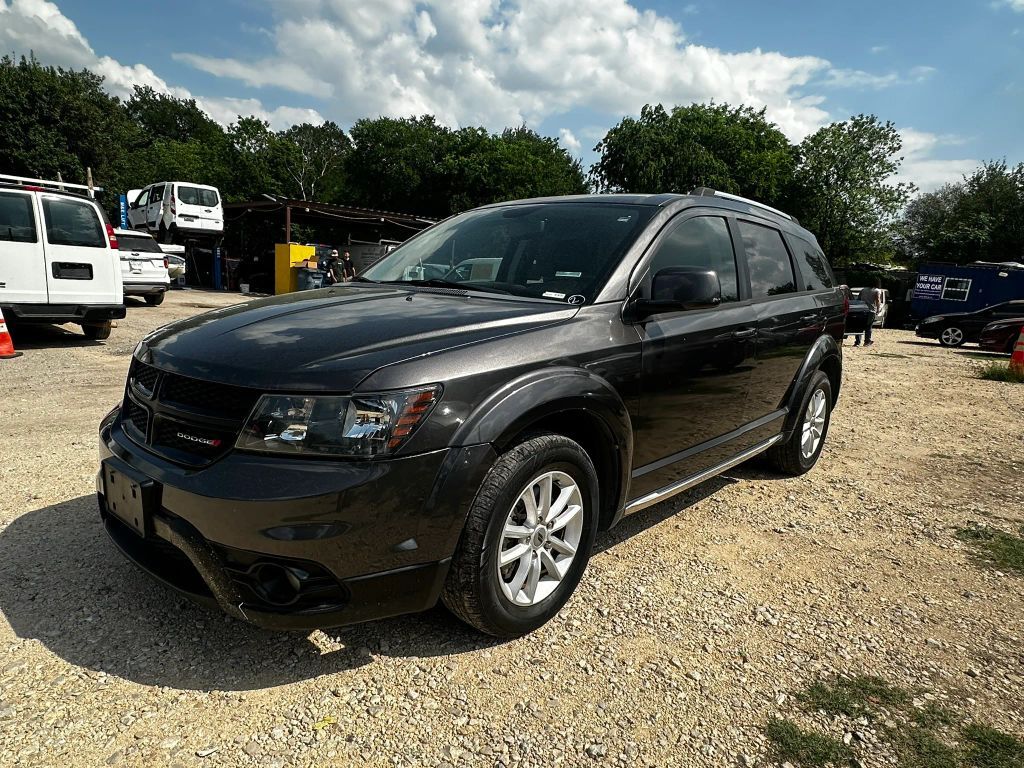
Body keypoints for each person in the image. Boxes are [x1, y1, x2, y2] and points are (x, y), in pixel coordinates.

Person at [858, 279, 883, 346]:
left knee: (860, 326)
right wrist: (878, 309)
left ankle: (857, 342)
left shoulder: (863, 290)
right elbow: (878, 300)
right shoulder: (877, 290)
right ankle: (867, 341)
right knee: (868, 327)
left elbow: (859, 298)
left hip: (862, 309)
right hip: (871, 310)